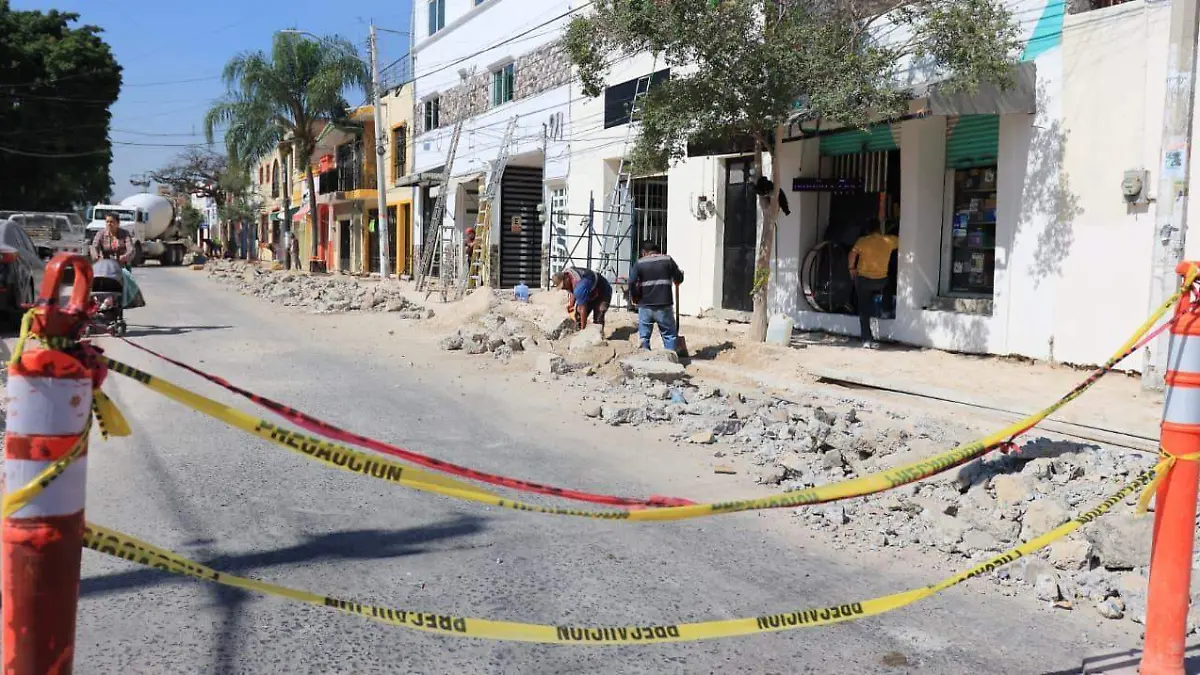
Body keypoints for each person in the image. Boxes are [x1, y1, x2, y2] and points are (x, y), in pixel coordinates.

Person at [848, 219, 898, 349]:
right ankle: (886, 309)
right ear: (879, 229)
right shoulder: (889, 241)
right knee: (889, 285)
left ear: (867, 230)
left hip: (864, 281)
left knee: (864, 309)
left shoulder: (862, 241)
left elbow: (852, 255)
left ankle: (866, 339)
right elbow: (901, 241)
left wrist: (851, 269)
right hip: (880, 281)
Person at [628, 239, 684, 351]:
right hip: (664, 304)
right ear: (657, 251)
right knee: (669, 334)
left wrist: (635, 297)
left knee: (644, 336)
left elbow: (631, 282)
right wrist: (679, 277)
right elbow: (678, 278)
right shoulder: (667, 260)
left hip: (645, 305)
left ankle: (645, 358)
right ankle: (670, 359)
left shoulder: (640, 263)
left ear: (644, 252)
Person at [90, 214, 145, 309]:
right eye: (107, 222)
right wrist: (97, 256)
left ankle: (123, 305)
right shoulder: (101, 233)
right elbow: (94, 246)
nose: (109, 224)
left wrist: (125, 256)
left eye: (112, 222)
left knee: (127, 281)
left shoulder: (124, 234)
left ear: (118, 223)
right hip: (104, 266)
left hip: (120, 266)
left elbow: (131, 249)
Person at [553, 266, 612, 334]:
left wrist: (582, 332)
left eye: (563, 286)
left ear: (566, 278)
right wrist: (571, 305)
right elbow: (572, 290)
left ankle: (598, 338)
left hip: (603, 291)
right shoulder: (568, 273)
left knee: (598, 318)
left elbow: (582, 308)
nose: (564, 288)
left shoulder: (580, 287)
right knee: (577, 316)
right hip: (589, 292)